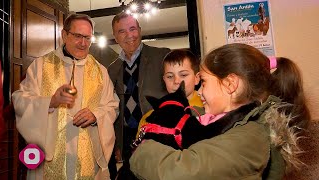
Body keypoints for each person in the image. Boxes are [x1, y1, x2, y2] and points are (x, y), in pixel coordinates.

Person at [129, 43, 310, 179]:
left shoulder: (250, 137)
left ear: (230, 84)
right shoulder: (239, 126)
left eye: (205, 82)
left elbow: (179, 171)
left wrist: (142, 149)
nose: (200, 91)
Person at [12, 14, 119, 179]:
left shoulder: (100, 72)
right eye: (77, 36)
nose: (83, 43)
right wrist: (51, 101)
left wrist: (96, 115)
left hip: (87, 155)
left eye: (87, 38)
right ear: (64, 35)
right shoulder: (41, 65)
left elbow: (112, 106)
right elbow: (19, 100)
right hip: (49, 154)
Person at [107, 12, 170, 174]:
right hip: (128, 138)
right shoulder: (111, 69)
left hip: (160, 134)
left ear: (140, 30)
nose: (129, 35)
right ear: (115, 36)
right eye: (122, 31)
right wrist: (118, 144)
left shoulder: (162, 56)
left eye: (132, 29)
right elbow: (113, 109)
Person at [136, 49, 203, 138]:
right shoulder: (149, 117)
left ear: (197, 78)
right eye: (170, 76)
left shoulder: (208, 110)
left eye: (183, 75)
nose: (176, 81)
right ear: (164, 80)